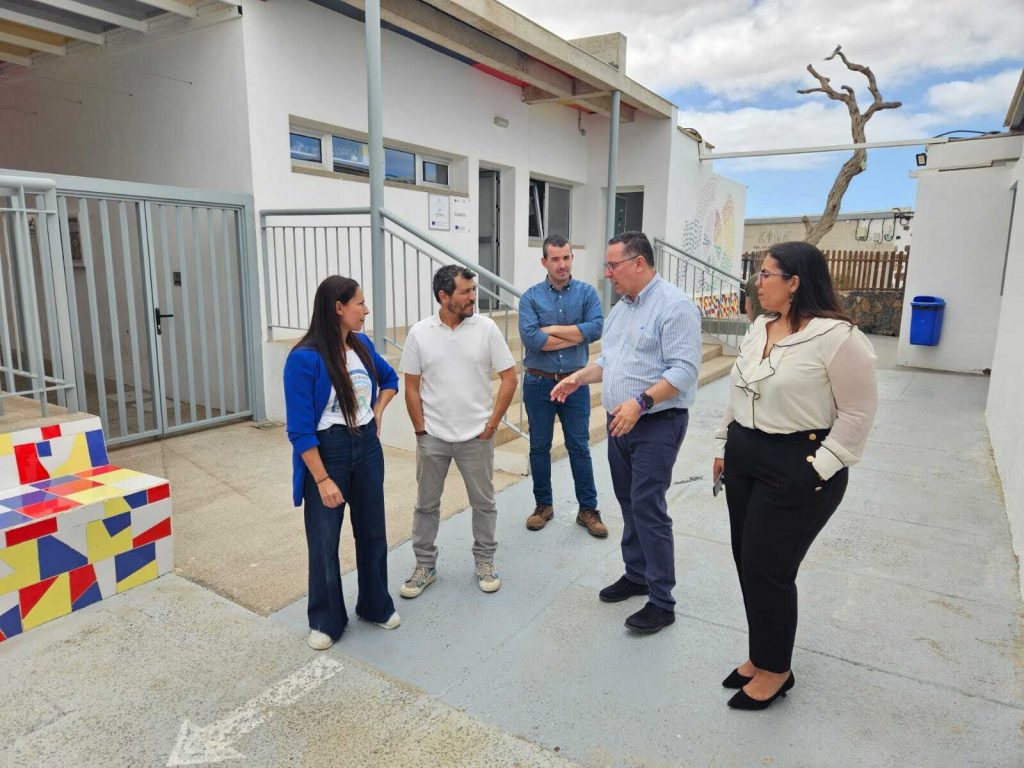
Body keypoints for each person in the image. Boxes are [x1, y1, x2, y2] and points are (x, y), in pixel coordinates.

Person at [712, 241, 877, 710]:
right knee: (748, 560)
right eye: (759, 273)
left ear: (795, 282)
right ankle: (761, 656)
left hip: (798, 465)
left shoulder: (837, 338)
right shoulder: (760, 327)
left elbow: (858, 414)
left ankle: (776, 670)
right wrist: (723, 446)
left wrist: (818, 468)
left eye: (767, 274)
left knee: (770, 568)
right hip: (746, 458)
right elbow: (738, 394)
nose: (757, 282)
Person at [550, 232, 702, 634]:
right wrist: (580, 377)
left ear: (639, 263)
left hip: (656, 423)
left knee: (648, 505)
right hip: (622, 422)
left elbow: (684, 371)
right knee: (629, 502)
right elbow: (610, 360)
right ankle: (636, 574)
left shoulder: (675, 306)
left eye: (613, 265)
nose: (607, 273)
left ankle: (662, 600)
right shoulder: (622, 309)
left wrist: (642, 402)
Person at [284, 276, 401, 651]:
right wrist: (321, 480)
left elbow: (390, 379)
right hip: (327, 452)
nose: (366, 310)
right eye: (360, 304)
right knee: (324, 541)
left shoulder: (362, 345)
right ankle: (325, 619)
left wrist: (376, 412)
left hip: (366, 445)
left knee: (372, 533)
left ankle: (375, 605)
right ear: (338, 308)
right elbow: (300, 431)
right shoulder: (304, 359)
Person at [399, 264, 517, 597]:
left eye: (473, 290)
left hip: (476, 437)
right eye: (465, 292)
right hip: (433, 437)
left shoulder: (487, 329)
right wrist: (420, 430)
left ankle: (484, 561)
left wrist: (492, 425)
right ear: (444, 296)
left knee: (484, 503)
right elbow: (410, 386)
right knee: (426, 504)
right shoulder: (420, 333)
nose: (473, 297)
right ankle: (425, 566)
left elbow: (510, 378)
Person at [518, 234, 605, 536]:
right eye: (555, 258)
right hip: (538, 383)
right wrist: (574, 334)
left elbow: (595, 329)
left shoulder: (586, 294)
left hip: (574, 382)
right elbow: (531, 339)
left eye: (566, 257)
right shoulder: (530, 297)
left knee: (579, 445)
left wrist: (552, 330)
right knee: (539, 446)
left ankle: (588, 509)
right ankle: (543, 505)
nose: (562, 264)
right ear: (544, 262)